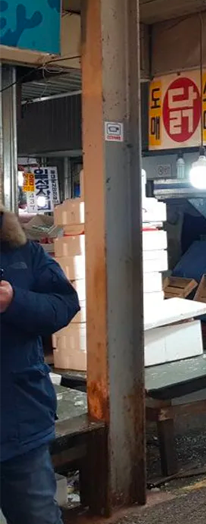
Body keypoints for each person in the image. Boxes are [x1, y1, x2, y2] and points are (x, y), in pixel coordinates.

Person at [0, 207, 80, 524]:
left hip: (19, 422)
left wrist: (14, 300)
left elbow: (65, 304)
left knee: (37, 517)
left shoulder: (23, 252)